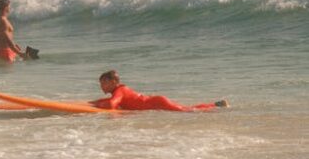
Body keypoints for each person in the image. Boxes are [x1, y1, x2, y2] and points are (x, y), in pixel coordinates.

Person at [89, 70, 228, 112]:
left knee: (188, 111)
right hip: (155, 101)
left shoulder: (120, 90)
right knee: (187, 109)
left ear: (114, 82)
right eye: (101, 84)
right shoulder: (119, 91)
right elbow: (113, 101)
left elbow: (112, 104)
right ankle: (217, 104)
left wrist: (97, 105)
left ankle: (216, 106)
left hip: (157, 102)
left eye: (104, 83)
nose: (102, 86)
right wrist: (95, 102)